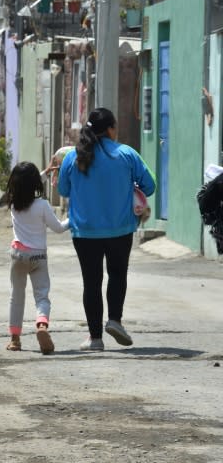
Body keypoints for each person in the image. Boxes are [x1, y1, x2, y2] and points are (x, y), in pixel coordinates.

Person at [58, 107, 156, 351]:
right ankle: (114, 320)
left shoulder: (73, 157)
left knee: (91, 282)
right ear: (111, 129)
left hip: (85, 231)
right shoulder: (126, 154)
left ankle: (95, 338)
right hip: (120, 229)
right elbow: (150, 185)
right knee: (117, 275)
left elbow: (63, 190)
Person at [5, 162, 69, 354]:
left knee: (16, 296)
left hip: (18, 255)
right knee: (42, 295)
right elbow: (58, 228)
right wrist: (73, 218)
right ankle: (41, 325)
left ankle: (15, 339)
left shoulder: (13, 202)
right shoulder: (42, 205)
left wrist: (45, 173)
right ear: (36, 183)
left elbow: (25, 184)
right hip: (38, 256)